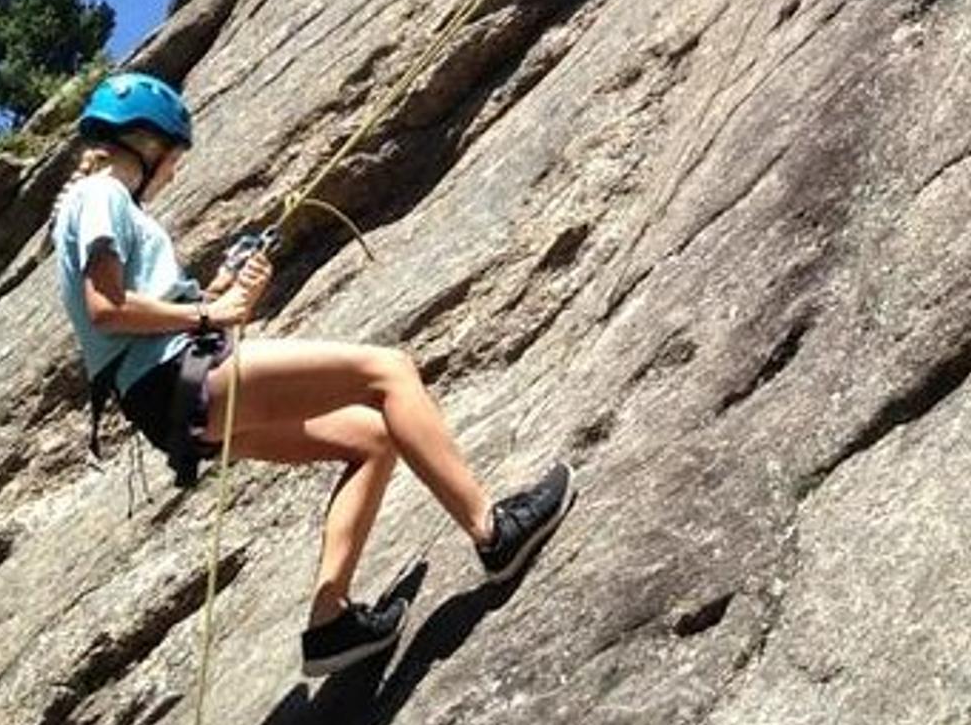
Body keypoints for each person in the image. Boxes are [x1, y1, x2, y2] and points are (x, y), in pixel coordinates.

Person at [50, 72, 576, 676]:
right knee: (390, 372)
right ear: (148, 145)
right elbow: (107, 307)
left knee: (370, 438)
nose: (172, 174)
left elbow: (137, 308)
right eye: (173, 160)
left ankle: (330, 624)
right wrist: (212, 311)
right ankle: (493, 530)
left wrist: (224, 288)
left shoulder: (98, 204)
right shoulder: (103, 195)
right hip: (178, 377)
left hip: (166, 401)